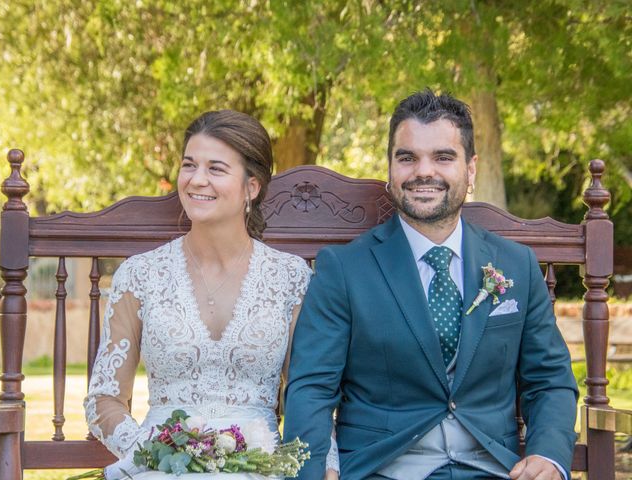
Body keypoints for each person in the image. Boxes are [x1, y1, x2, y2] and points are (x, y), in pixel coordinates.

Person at [283, 89, 578, 480]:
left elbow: (550, 379)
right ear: (390, 169)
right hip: (382, 469)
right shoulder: (343, 269)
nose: (424, 172)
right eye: (407, 157)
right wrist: (313, 468)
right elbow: (312, 389)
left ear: (471, 170)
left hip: (494, 469)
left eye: (443, 157)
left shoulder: (516, 266)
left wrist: (548, 455)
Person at [84, 110, 338, 479]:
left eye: (216, 169)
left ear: (252, 187)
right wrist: (156, 454)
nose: (196, 180)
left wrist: (327, 466)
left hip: (259, 467)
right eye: (189, 165)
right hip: (160, 467)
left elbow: (309, 394)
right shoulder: (139, 276)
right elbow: (103, 399)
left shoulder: (291, 278)